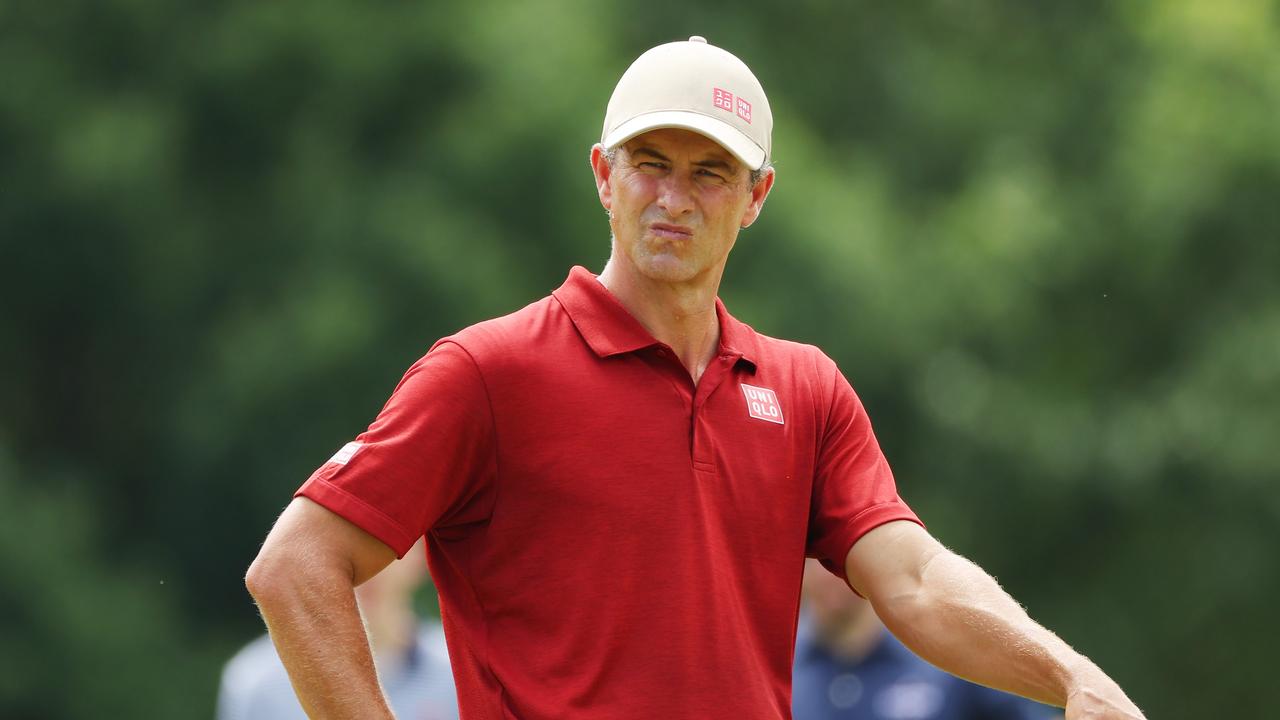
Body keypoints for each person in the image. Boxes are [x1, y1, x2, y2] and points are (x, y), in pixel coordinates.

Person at [245, 36, 1146, 720]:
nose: (674, 199)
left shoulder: (805, 390)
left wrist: (1071, 678)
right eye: (650, 165)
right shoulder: (488, 373)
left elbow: (912, 582)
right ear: (604, 176)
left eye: (710, 173)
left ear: (756, 197)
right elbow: (295, 566)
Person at [794, 559, 1061, 720]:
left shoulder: (945, 652)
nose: (825, 574)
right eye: (814, 559)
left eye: (833, 559)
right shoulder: (773, 668)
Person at [220, 540, 458, 720]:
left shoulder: (459, 673)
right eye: (342, 546)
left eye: (382, 542)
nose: (364, 564)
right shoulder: (257, 682)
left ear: (420, 552)